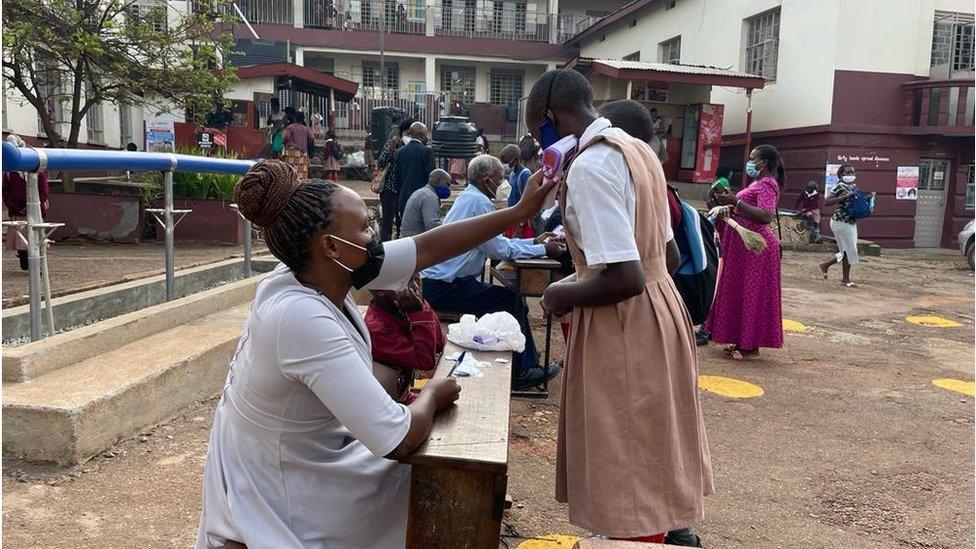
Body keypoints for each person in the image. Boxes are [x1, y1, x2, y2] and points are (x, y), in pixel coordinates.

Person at [196, 158, 557, 548]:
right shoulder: (297, 316)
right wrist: (433, 393)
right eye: (366, 227)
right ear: (332, 247)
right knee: (423, 481)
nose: (375, 237)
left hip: (307, 451)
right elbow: (397, 437)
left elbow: (427, 247)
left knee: (428, 476)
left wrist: (519, 211)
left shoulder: (323, 270)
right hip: (285, 481)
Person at [528, 71, 711, 544]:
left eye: (535, 132)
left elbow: (624, 278)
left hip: (625, 322)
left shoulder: (590, 167)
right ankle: (665, 530)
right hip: (663, 309)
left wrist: (556, 294)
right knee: (652, 439)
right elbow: (663, 257)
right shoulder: (639, 151)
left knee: (624, 448)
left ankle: (638, 537)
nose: (538, 141)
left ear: (550, 116)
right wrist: (581, 276)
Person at [421, 154, 565, 393]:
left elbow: (496, 242)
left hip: (443, 281)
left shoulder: (471, 197)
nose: (502, 184)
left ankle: (522, 359)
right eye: (499, 179)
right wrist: (542, 248)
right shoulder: (479, 203)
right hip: (443, 285)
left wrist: (534, 242)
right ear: (487, 179)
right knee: (511, 300)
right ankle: (522, 371)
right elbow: (498, 249)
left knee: (508, 300)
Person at [707, 144, 785, 359]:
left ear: (764, 162)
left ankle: (749, 346)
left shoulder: (768, 185)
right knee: (741, 291)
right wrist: (725, 205)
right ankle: (742, 340)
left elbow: (766, 216)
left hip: (756, 249)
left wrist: (735, 201)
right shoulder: (757, 183)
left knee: (752, 294)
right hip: (744, 246)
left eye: (753, 158)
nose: (749, 162)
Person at [365, 274, 445, 403]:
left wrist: (421, 303)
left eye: (416, 279)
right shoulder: (378, 329)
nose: (415, 286)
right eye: (407, 281)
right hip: (387, 405)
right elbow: (426, 361)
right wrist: (418, 313)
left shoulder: (400, 311)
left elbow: (439, 344)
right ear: (381, 290)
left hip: (401, 395)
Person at [3, 135, 49, 271]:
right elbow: (6, 191)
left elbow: (43, 189)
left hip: (34, 210)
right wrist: (14, 205)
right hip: (18, 210)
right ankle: (24, 259)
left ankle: (38, 265)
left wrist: (36, 204)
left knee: (36, 238)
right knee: (21, 238)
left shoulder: (35, 167)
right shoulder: (9, 173)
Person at [820, 163, 869, 287]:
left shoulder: (852, 186)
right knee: (849, 250)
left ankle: (825, 265)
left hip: (850, 222)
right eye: (847, 173)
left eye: (852, 172)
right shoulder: (840, 186)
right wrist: (844, 197)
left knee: (847, 250)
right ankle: (845, 280)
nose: (851, 175)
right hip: (841, 223)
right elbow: (827, 201)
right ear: (841, 174)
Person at [394, 122, 436, 231]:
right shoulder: (427, 152)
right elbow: (432, 178)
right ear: (422, 135)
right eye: (426, 134)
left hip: (403, 199)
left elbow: (396, 179)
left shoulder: (399, 152)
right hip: (422, 200)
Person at [376, 120, 413, 241]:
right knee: (387, 221)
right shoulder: (393, 143)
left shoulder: (412, 147)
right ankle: (384, 247)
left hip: (403, 190)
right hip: (389, 189)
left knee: (402, 221)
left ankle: (399, 245)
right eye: (408, 132)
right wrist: (390, 147)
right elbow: (381, 162)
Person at [400, 169, 451, 237]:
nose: (448, 188)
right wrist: (450, 224)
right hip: (415, 240)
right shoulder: (430, 197)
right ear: (437, 180)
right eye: (447, 184)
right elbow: (431, 225)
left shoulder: (422, 192)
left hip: (408, 238)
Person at [500, 144, 535, 238]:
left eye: (506, 161)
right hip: (513, 219)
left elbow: (528, 202)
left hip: (521, 223)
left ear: (515, 159)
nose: (504, 164)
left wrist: (520, 227)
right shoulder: (512, 174)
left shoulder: (525, 175)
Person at [282, 111, 312, 179]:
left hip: (292, 152)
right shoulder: (305, 128)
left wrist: (283, 142)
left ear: (295, 118)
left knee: (291, 171)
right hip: (303, 153)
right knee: (301, 172)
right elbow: (312, 137)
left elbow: (286, 137)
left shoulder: (290, 127)